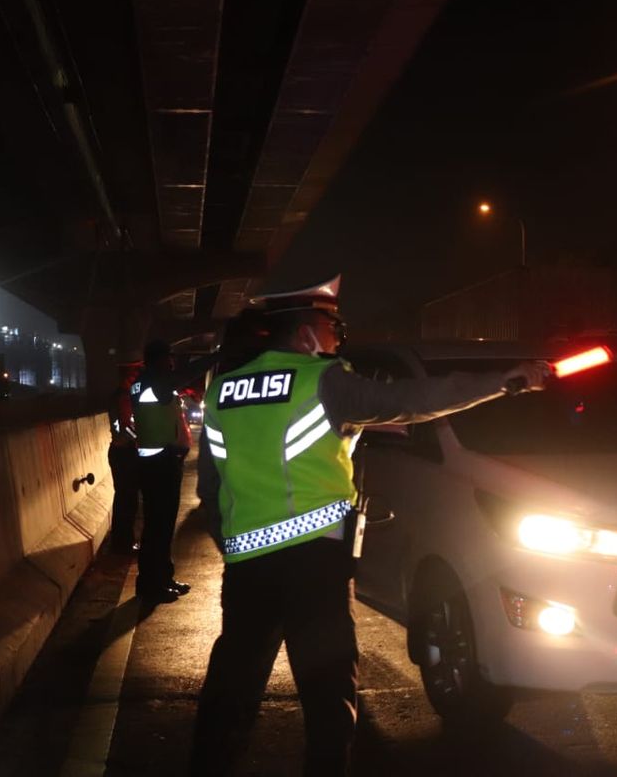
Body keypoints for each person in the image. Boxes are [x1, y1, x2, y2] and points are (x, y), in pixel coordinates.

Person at [190, 275, 550, 776]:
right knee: (327, 700)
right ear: (306, 334)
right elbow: (414, 398)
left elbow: (209, 487)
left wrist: (234, 545)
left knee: (231, 693)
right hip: (313, 569)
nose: (339, 338)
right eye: (332, 327)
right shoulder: (324, 380)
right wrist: (506, 380)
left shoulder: (223, 391)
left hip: (247, 569)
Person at [131, 339, 216, 603]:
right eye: (168, 358)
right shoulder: (153, 382)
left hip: (160, 461)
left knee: (163, 525)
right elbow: (184, 375)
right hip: (158, 463)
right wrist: (217, 355)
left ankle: (163, 577)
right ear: (159, 360)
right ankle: (150, 584)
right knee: (158, 526)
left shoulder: (149, 383)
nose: (171, 363)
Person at [106, 361, 142, 554]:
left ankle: (121, 542)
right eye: (135, 372)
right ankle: (124, 543)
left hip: (119, 451)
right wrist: (142, 438)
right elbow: (127, 426)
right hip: (125, 452)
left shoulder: (117, 396)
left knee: (123, 498)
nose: (137, 375)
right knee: (127, 500)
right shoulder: (124, 397)